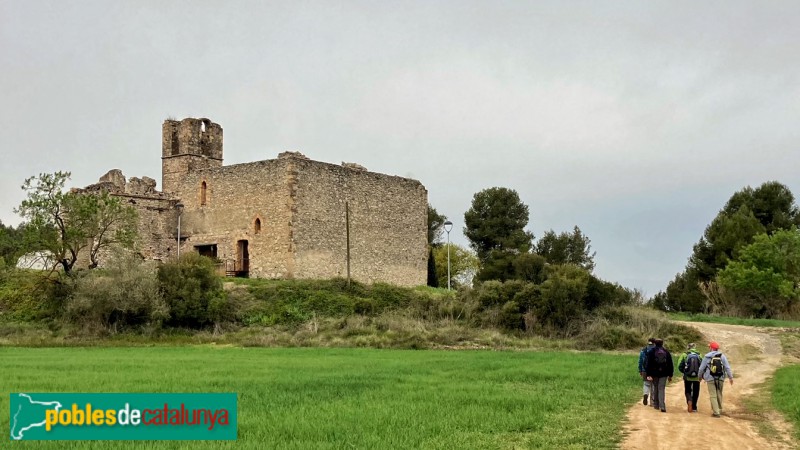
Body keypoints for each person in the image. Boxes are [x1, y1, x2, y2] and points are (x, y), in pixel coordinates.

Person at [698, 341, 734, 418]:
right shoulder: (722, 356)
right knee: (719, 393)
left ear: (711, 348)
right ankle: (719, 409)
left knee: (713, 395)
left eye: (709, 347)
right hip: (720, 378)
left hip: (710, 378)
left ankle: (716, 412)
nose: (709, 348)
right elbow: (727, 367)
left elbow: (701, 368)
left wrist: (700, 376)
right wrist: (730, 377)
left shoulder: (707, 357)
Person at [645, 338, 674, 412]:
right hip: (664, 373)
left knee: (655, 388)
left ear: (655, 343)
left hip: (654, 373)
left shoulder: (651, 352)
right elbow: (670, 364)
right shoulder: (666, 352)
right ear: (662, 344)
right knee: (661, 389)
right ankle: (662, 406)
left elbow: (648, 364)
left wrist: (648, 374)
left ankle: (656, 405)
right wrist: (670, 375)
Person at [677, 343, 702, 413]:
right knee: (696, 391)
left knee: (687, 390)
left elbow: (679, 365)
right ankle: (694, 407)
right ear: (695, 347)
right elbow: (702, 365)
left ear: (688, 347)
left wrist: (684, 372)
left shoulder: (685, 354)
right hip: (697, 377)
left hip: (687, 376)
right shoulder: (699, 354)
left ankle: (689, 400)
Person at [638, 338, 655, 406]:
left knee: (646, 384)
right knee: (653, 385)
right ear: (654, 343)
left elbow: (640, 362)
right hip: (654, 371)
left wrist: (640, 370)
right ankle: (652, 402)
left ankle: (645, 394)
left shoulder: (643, 351)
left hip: (645, 370)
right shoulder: (655, 350)